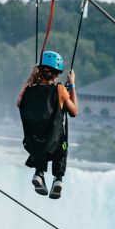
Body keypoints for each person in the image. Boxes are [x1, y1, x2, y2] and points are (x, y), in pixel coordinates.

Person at [17, 50, 78, 200]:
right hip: (55, 145)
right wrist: (72, 85)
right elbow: (74, 112)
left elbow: (19, 103)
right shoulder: (60, 90)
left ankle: (39, 173)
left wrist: (31, 78)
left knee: (42, 139)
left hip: (34, 144)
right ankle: (58, 178)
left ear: (40, 71)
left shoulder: (28, 91)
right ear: (57, 74)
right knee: (61, 142)